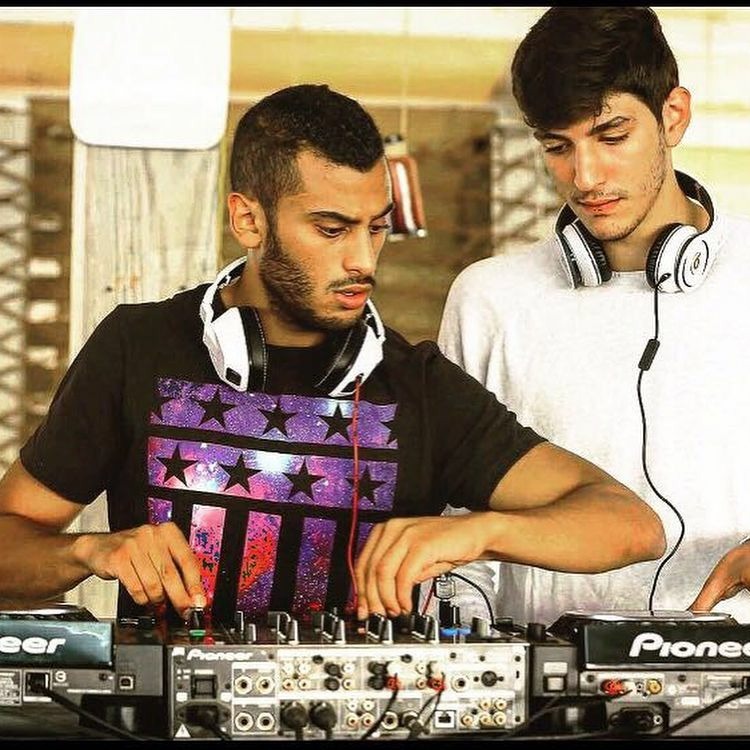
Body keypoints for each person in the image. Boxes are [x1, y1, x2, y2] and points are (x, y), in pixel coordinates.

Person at [0, 83, 664, 629]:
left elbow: (630, 525)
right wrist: (89, 552)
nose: (362, 260)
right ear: (249, 220)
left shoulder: (417, 386)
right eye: (331, 229)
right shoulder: (136, 347)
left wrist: (479, 532)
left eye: (376, 228)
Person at [438, 7, 750, 627]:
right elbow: (454, 541)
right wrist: (468, 653)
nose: (585, 176)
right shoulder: (488, 300)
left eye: (611, 136)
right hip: (548, 679)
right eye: (558, 147)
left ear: (673, 116)